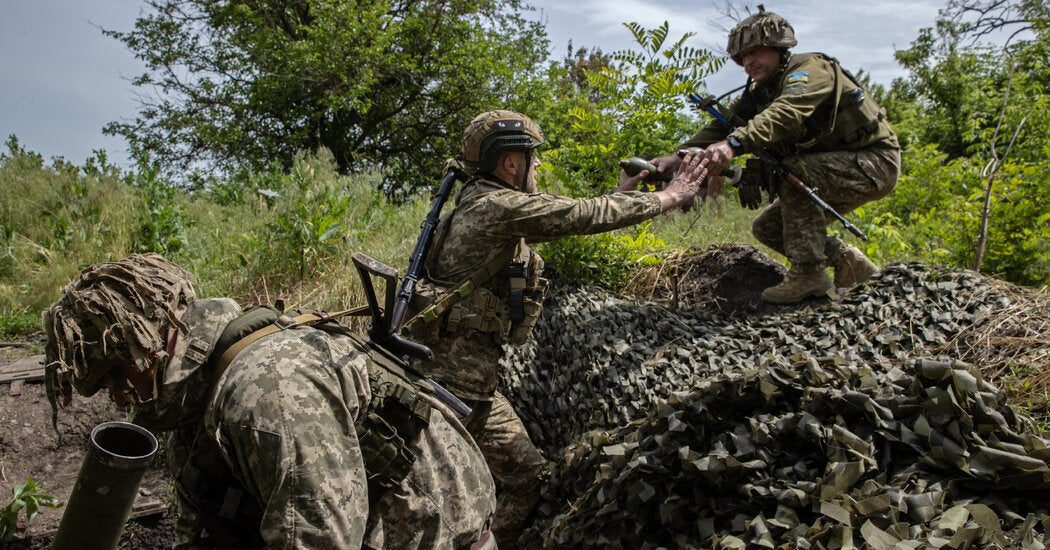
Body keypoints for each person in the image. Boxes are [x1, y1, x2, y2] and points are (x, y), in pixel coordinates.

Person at [401, 109, 710, 544]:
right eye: (534, 157)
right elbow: (579, 216)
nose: (539, 166)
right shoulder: (495, 206)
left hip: (475, 389)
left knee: (528, 475)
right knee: (440, 507)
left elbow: (566, 216)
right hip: (446, 394)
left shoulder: (488, 203)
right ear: (511, 163)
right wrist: (672, 196)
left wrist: (618, 195)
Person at [43, 253, 497, 549]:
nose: (119, 399)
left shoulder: (266, 392)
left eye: (115, 379)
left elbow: (321, 539)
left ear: (145, 347)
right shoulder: (196, 395)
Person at [650, 5, 900, 304]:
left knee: (796, 170)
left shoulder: (810, 70)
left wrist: (733, 145)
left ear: (779, 48)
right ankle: (846, 260)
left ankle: (809, 274)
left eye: (755, 52)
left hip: (874, 162)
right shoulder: (759, 93)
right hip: (837, 168)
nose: (748, 62)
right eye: (742, 57)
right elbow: (720, 127)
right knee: (768, 228)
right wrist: (675, 157)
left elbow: (785, 114)